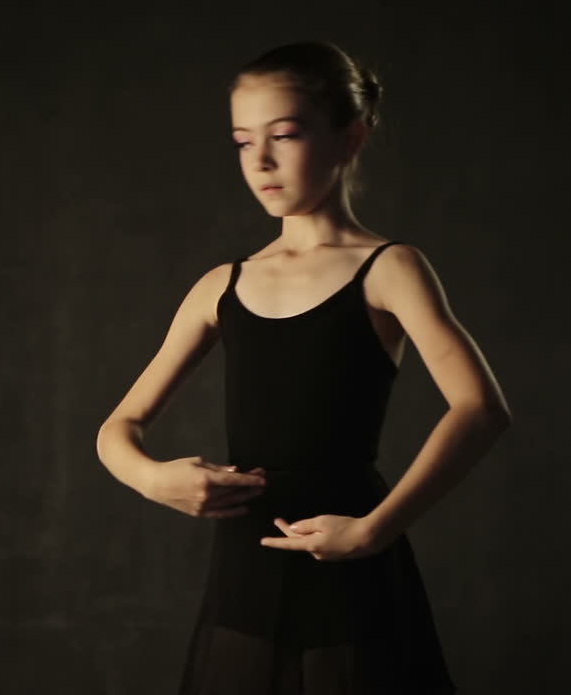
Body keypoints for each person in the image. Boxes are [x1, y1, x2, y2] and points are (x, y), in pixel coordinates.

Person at [95, 40, 512, 694]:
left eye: (284, 135)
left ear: (351, 139)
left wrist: (376, 530)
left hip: (351, 564)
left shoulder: (390, 269)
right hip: (244, 575)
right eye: (241, 141)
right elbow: (117, 428)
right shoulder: (221, 286)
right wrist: (153, 479)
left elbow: (481, 409)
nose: (259, 160)